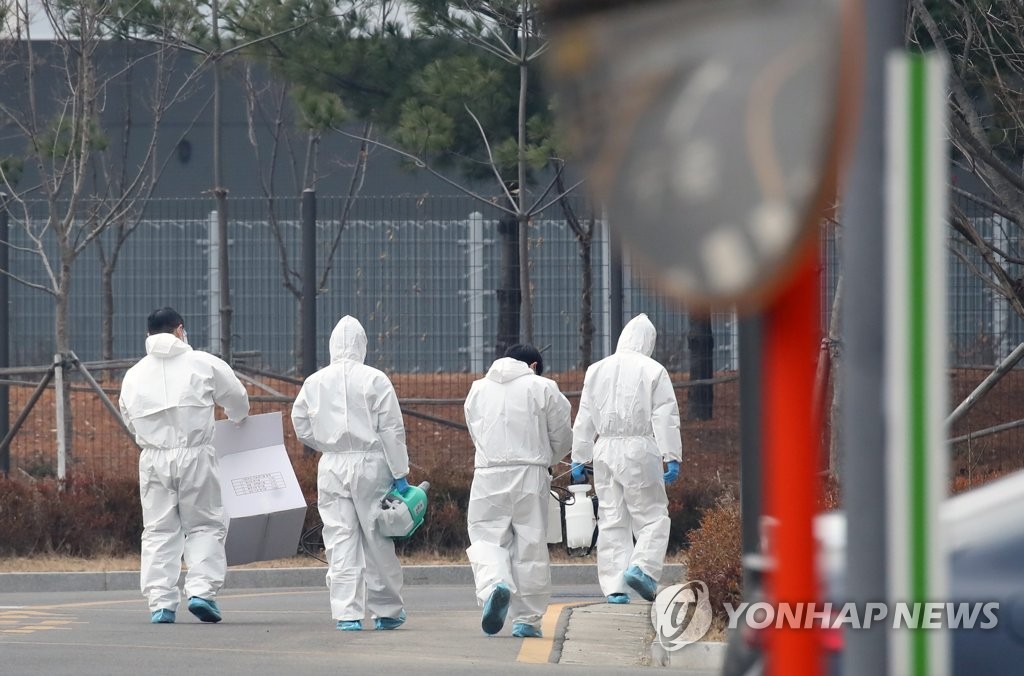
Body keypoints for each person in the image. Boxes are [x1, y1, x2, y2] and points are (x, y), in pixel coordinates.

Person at [119, 307, 250, 625]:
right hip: (196, 456)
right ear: (180, 330)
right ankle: (201, 592)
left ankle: (161, 603)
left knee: (159, 530)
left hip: (153, 457)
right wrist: (237, 419)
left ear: (148, 335)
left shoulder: (134, 375)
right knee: (204, 524)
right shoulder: (202, 363)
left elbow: (129, 419)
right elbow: (236, 397)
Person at [291, 315, 411, 632]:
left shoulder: (314, 382)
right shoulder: (375, 379)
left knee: (339, 537)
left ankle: (347, 613)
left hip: (332, 465)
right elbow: (391, 430)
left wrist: (327, 444)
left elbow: (300, 423)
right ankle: (386, 610)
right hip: (371, 463)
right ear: (362, 345)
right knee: (376, 537)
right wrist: (400, 471)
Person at [570, 313, 682, 604]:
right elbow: (665, 416)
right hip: (639, 448)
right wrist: (671, 456)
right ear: (648, 342)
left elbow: (584, 417)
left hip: (604, 450)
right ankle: (642, 568)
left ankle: (615, 586)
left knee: (611, 518)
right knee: (653, 516)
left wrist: (579, 458)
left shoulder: (596, 370)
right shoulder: (654, 370)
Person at [463, 344, 572, 638]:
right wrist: (546, 460)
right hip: (530, 473)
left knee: (486, 537)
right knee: (529, 543)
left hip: (488, 474)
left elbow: (475, 432)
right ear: (534, 365)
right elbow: (562, 435)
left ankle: (494, 585)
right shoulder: (543, 388)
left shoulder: (477, 389)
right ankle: (526, 619)